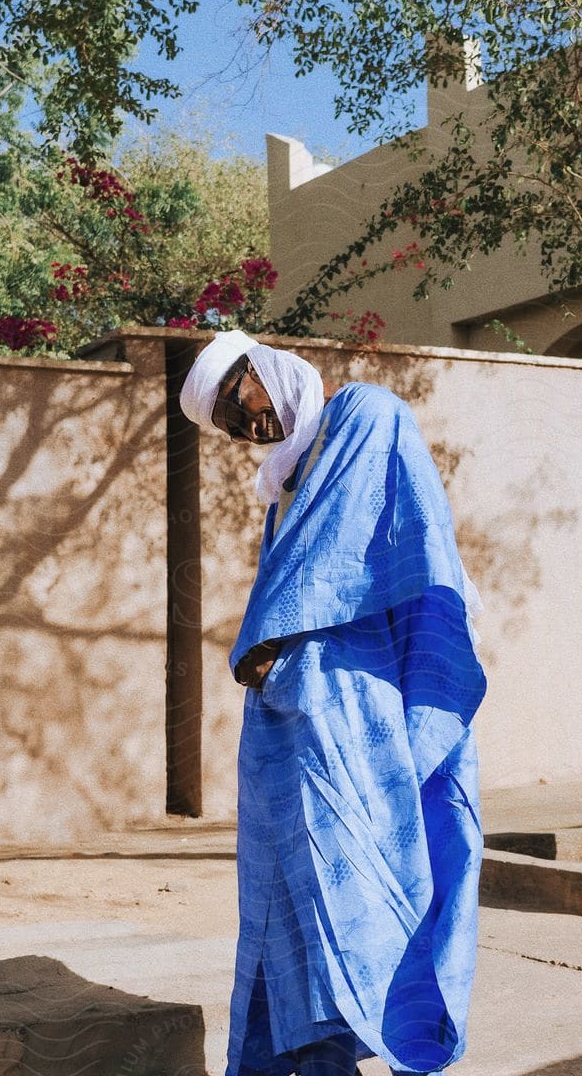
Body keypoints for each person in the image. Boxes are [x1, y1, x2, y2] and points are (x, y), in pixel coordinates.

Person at [178, 328, 488, 1076]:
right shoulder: (282, 494)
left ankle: (370, 1045)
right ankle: (316, 1061)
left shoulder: (362, 417)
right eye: (227, 423)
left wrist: (261, 637)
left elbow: (336, 569)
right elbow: (295, 594)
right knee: (294, 903)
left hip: (364, 715)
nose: (245, 425)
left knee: (371, 883)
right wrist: (268, 650)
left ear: (264, 369)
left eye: (237, 399)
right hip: (290, 727)